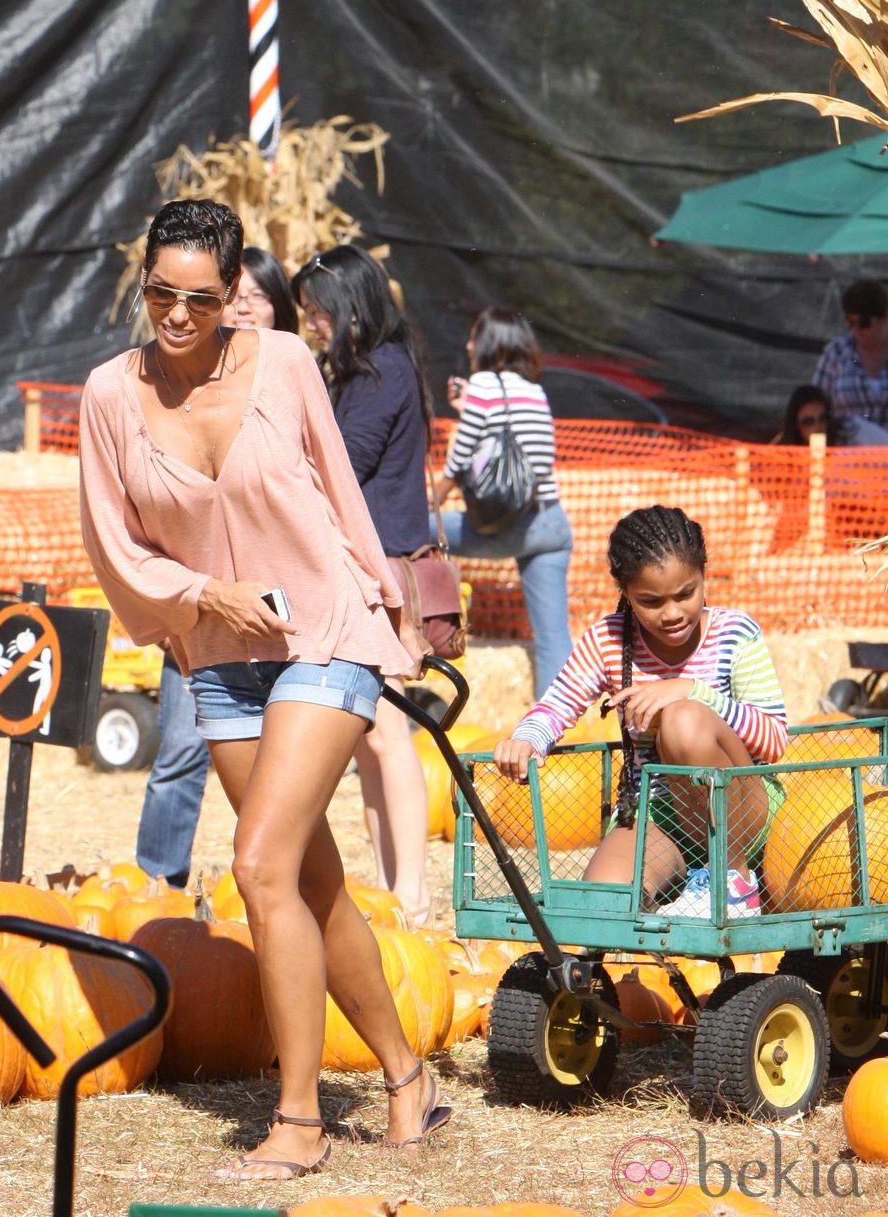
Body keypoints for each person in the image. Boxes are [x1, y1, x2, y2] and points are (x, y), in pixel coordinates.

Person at [79, 199, 449, 1179]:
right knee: (309, 884)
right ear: (143, 281)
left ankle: (297, 1118)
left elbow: (337, 490)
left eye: (198, 298)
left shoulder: (281, 363)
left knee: (256, 863)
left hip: (320, 631)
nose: (175, 314)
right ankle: (406, 1076)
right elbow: (115, 546)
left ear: (233, 293)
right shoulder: (111, 395)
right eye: (159, 292)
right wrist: (202, 593)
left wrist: (390, 605)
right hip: (216, 653)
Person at [493, 505, 788, 918]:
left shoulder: (734, 633)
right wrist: (528, 738)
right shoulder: (609, 640)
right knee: (603, 906)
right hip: (659, 811)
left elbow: (775, 740)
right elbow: (557, 704)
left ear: (704, 574)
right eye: (650, 601)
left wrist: (693, 691)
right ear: (626, 592)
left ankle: (732, 881)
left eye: (686, 593)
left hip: (741, 808)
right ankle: (642, 984)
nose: (671, 613)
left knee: (683, 719)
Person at [135, 247, 300, 890]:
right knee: (179, 749)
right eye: (236, 298)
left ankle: (265, 884)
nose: (242, 307)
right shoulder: (155, 389)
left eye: (251, 296)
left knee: (280, 779)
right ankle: (157, 881)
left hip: (286, 613)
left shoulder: (286, 374)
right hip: (200, 614)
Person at [291, 245, 433, 922]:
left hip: (382, 568)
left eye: (317, 310)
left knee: (385, 732)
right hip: (363, 567)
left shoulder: (382, 372)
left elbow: (342, 464)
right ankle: (391, 885)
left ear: (350, 306)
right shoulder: (364, 371)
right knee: (370, 734)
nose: (311, 323)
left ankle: (414, 888)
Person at [433, 307, 573, 699]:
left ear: (491, 343)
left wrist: (430, 503)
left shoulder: (483, 385)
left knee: (415, 530)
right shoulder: (535, 390)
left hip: (504, 527)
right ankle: (559, 732)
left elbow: (460, 460)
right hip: (550, 525)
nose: (468, 344)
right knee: (553, 638)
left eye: (475, 336)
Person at [812, 279, 888, 426]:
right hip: (846, 445)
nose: (856, 330)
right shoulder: (836, 353)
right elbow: (814, 405)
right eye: (850, 323)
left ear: (885, 317)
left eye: (864, 323)